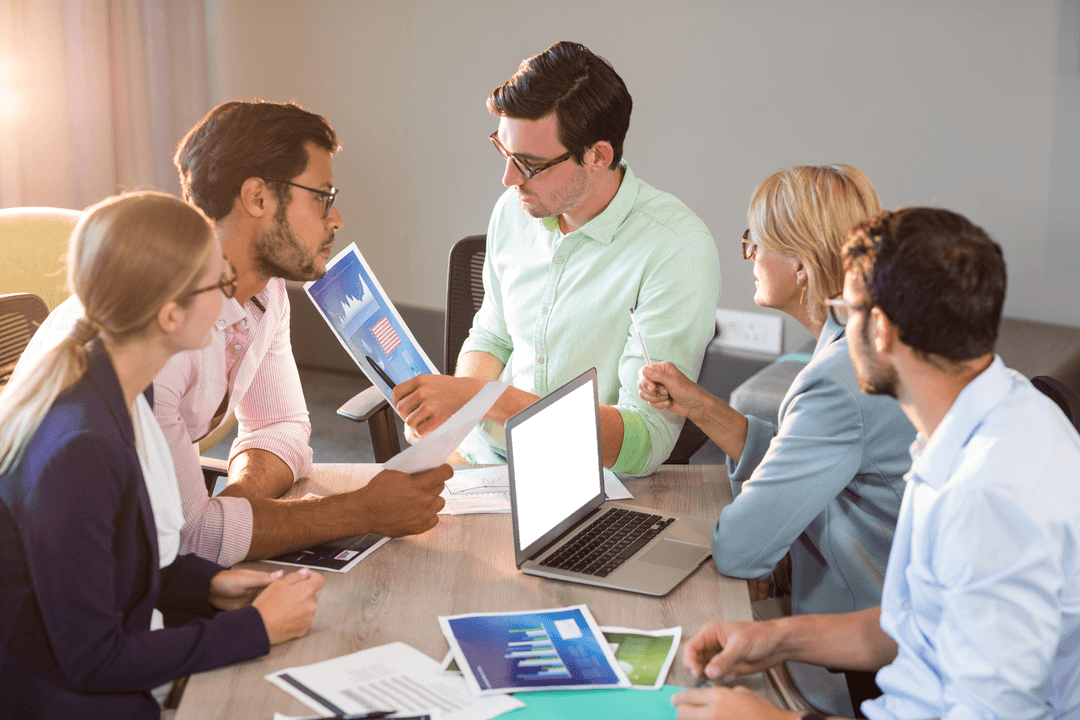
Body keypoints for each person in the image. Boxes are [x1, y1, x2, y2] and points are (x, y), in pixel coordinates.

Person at [672, 207, 1080, 720]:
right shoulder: (987, 414)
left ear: (881, 329)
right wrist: (773, 637)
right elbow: (913, 622)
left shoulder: (990, 496)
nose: (838, 329)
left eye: (845, 311)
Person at [16, 100, 451, 566]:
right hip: (84, 576)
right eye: (322, 196)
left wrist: (239, 508)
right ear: (257, 197)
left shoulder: (268, 292)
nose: (336, 217)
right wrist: (358, 510)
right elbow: (189, 542)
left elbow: (281, 426)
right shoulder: (159, 334)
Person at [0, 193, 325, 718]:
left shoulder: (125, 392)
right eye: (220, 283)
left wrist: (209, 584)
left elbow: (112, 564)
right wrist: (255, 630)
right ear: (171, 315)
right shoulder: (79, 449)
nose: (230, 301)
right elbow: (94, 660)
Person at [639, 166, 914, 714]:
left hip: (864, 660)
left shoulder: (838, 381)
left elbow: (741, 549)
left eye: (755, 242)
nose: (749, 256)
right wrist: (702, 406)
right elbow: (813, 461)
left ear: (802, 266)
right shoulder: (857, 342)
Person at [391, 41, 721, 476]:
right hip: (484, 461)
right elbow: (493, 337)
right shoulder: (514, 209)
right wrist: (457, 416)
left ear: (598, 156)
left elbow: (646, 439)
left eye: (528, 163)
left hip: (586, 479)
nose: (508, 179)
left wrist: (484, 401)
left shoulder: (677, 247)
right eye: (503, 151)